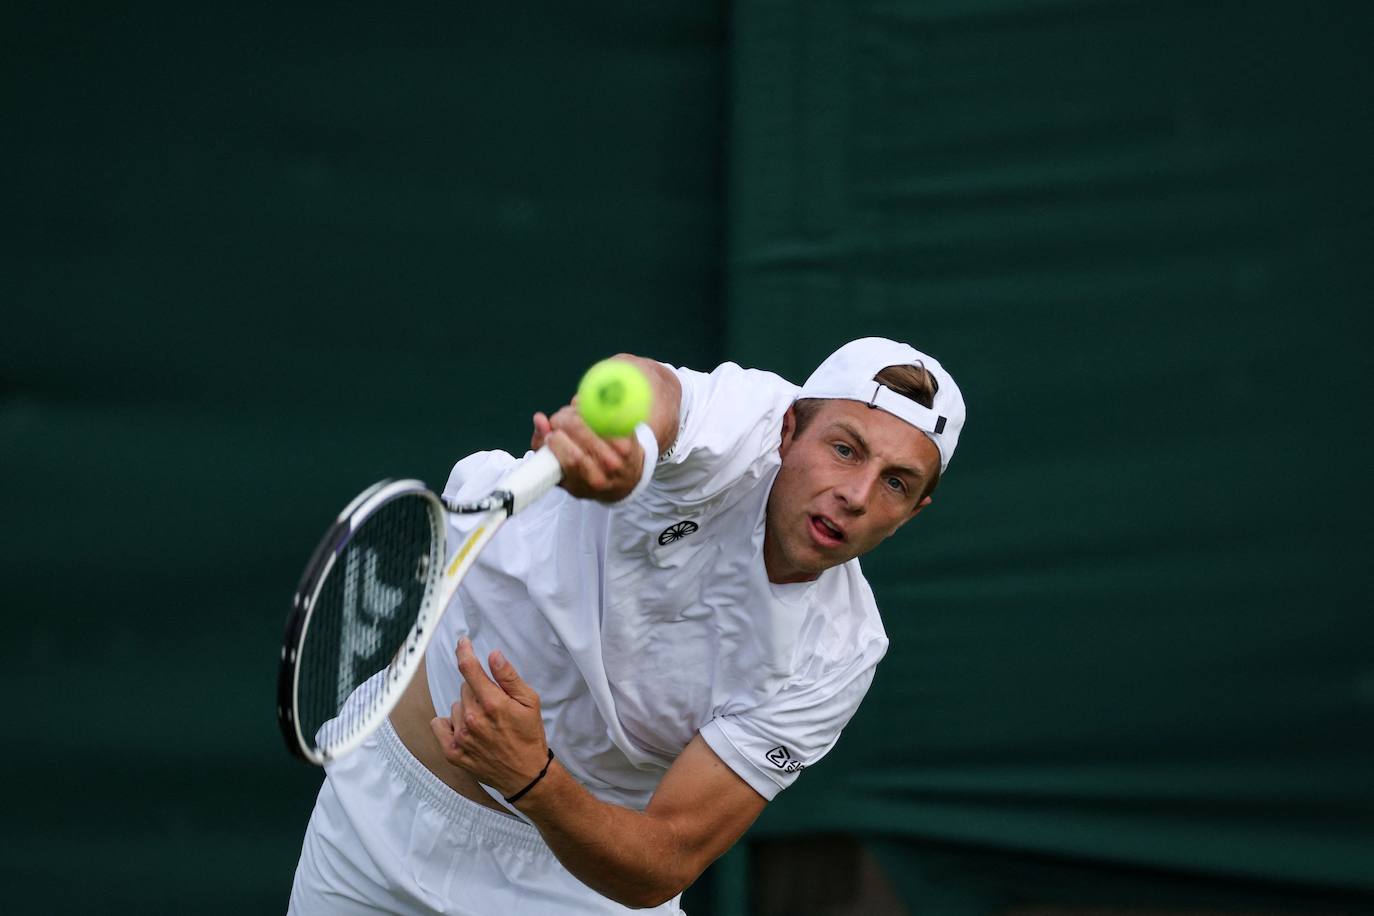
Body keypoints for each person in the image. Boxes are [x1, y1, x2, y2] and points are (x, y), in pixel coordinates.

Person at [288, 337, 966, 915]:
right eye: (846, 451)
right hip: (378, 822)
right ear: (787, 432)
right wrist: (625, 457)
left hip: (576, 882)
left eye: (896, 483)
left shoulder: (840, 653)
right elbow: (653, 389)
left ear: (915, 511)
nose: (857, 494)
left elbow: (667, 857)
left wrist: (532, 778)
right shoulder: (743, 422)